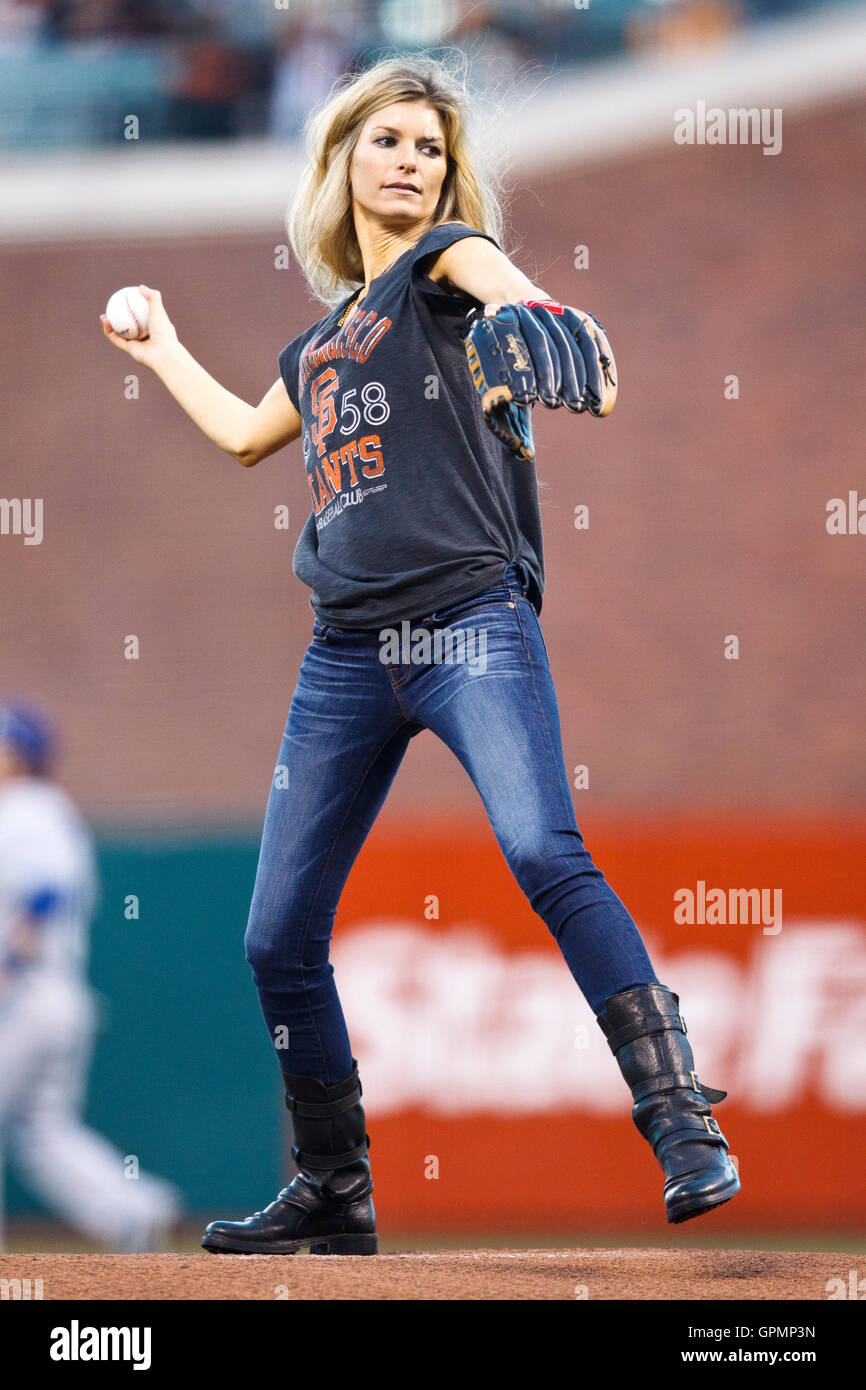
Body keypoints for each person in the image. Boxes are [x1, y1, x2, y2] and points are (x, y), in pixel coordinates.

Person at [99, 53, 740, 1255]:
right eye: (387, 141)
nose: (409, 162)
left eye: (430, 148)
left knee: (544, 846)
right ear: (341, 158)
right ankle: (334, 1189)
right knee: (274, 935)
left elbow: (511, 289)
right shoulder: (322, 342)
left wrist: (532, 317)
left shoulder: (441, 266)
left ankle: (677, 1118)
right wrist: (160, 348)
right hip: (344, 652)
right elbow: (246, 436)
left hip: (464, 622)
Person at [0, 701, 179, 1251]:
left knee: (40, 1127)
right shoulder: (45, 810)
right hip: (52, 998)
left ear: (20, 754)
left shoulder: (28, 807)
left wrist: (9, 963)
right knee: (42, 1131)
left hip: (26, 994)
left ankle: (136, 1211)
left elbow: (46, 892)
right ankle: (134, 1210)